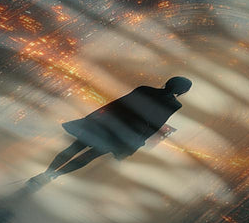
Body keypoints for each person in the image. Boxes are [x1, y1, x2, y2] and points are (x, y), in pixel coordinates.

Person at [40, 76, 192, 180]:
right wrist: (138, 142)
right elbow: (155, 124)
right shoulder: (174, 105)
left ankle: (46, 173)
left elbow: (118, 104)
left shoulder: (144, 89)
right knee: (89, 156)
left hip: (107, 123)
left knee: (74, 147)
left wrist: (92, 117)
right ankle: (54, 175)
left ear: (168, 82)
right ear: (183, 91)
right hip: (124, 134)